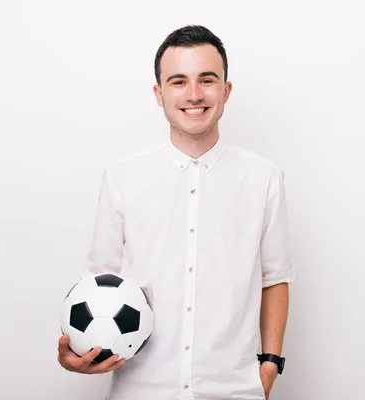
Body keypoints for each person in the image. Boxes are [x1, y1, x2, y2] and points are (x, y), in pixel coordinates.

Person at [57, 25, 295, 400]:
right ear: (159, 93)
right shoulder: (122, 178)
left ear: (226, 90)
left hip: (234, 391)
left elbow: (275, 276)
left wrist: (270, 364)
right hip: (141, 390)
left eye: (207, 79)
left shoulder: (264, 178)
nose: (195, 95)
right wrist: (76, 352)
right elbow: (99, 281)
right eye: (178, 81)